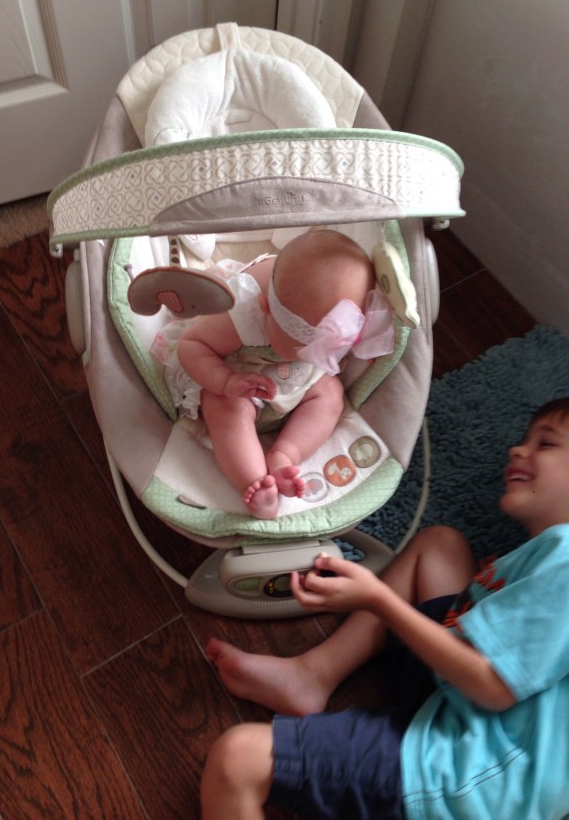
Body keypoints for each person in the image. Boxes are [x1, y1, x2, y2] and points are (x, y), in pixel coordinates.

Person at [200, 397, 569, 819]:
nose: (517, 449)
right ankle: (313, 674)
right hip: (464, 711)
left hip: (472, 779)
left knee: (236, 760)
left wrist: (378, 600)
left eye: (546, 443)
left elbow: (493, 686)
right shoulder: (545, 557)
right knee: (440, 546)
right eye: (526, 439)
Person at [170, 228, 394, 519]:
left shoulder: (334, 301)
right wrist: (226, 381)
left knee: (331, 395)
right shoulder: (241, 310)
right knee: (224, 407)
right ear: (266, 309)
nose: (305, 355)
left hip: (298, 377)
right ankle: (255, 483)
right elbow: (192, 346)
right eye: (298, 349)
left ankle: (285, 454)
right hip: (239, 371)